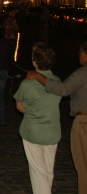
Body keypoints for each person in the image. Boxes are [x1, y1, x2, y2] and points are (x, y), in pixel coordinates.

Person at [26, 42, 87, 194]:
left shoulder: (83, 73)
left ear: (85, 55)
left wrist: (38, 76)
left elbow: (63, 89)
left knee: (84, 168)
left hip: (84, 123)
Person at [14, 43, 61, 194]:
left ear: (35, 62)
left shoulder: (27, 84)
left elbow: (19, 104)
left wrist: (21, 104)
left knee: (38, 172)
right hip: (52, 132)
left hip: (33, 132)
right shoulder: (57, 82)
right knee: (48, 170)